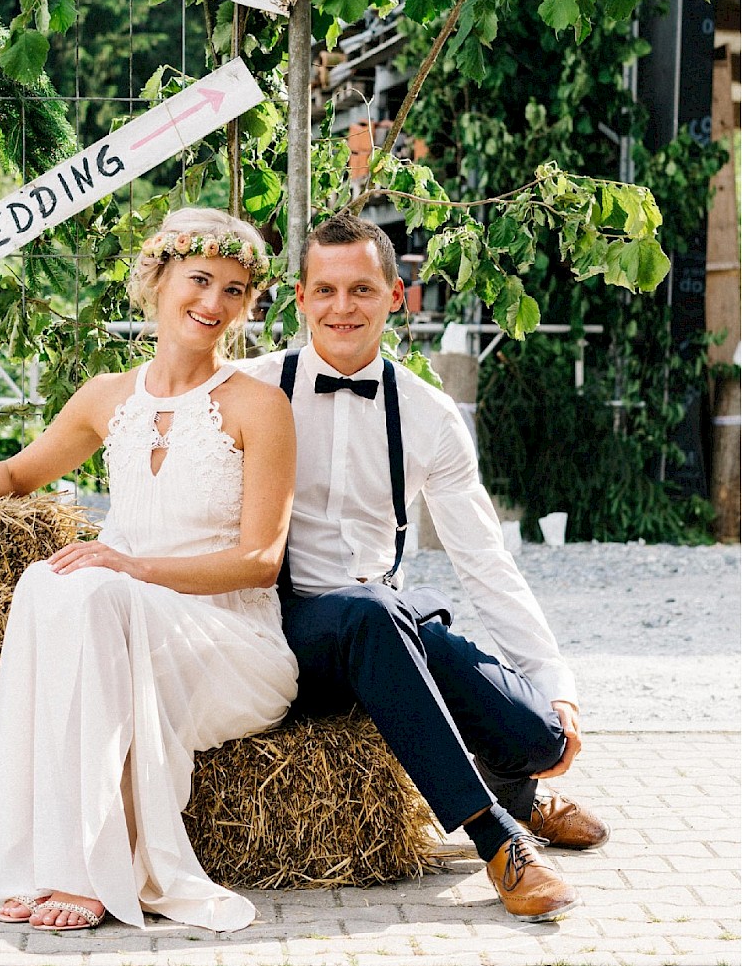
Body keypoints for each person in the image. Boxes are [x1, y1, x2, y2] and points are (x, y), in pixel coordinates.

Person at [0, 208, 299, 934]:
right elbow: (16, 471)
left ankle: (89, 873)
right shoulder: (108, 396)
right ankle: (44, 856)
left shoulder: (261, 405)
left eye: (234, 289)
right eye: (200, 279)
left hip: (233, 643)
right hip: (124, 619)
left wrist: (133, 567)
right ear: (158, 281)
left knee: (100, 590)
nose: (214, 302)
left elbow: (261, 562)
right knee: (47, 581)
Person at [248, 212, 609, 922]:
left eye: (360, 289)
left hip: (391, 621)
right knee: (370, 612)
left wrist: (555, 681)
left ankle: (523, 794)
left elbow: (484, 560)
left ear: (397, 297)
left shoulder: (429, 413)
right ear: (299, 298)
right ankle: (498, 838)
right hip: (291, 631)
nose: (341, 307)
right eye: (324, 290)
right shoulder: (255, 391)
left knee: (542, 735)